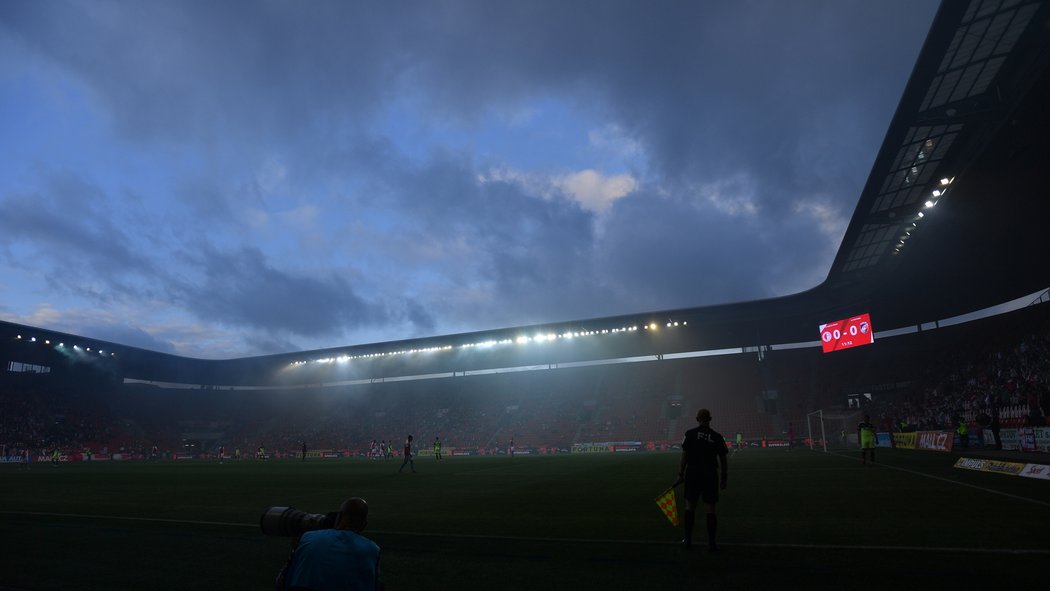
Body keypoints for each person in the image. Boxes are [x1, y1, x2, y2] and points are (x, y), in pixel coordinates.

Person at [280, 497, 383, 591]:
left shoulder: (307, 537)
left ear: (339, 516)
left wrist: (297, 549)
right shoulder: (373, 549)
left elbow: (281, 581)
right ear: (364, 525)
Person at [678, 408, 728, 551]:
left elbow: (684, 456)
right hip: (710, 474)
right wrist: (724, 477)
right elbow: (723, 459)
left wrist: (680, 473)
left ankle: (688, 540)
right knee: (710, 509)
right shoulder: (717, 436)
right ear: (710, 419)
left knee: (690, 507)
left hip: (693, 472)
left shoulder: (690, 434)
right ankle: (712, 543)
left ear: (697, 419)